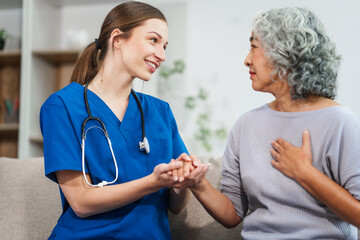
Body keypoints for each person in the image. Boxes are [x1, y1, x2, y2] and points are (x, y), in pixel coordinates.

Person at [40, 1, 208, 239]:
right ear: (117, 39)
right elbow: (81, 202)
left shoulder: (160, 112)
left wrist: (182, 181)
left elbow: (175, 206)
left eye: (165, 46)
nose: (162, 55)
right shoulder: (62, 106)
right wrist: (153, 182)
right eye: (153, 40)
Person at [189, 7, 360, 239]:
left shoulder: (341, 122)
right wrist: (197, 183)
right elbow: (232, 214)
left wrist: (306, 174)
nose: (246, 60)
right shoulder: (246, 125)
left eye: (253, 47)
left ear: (286, 51)